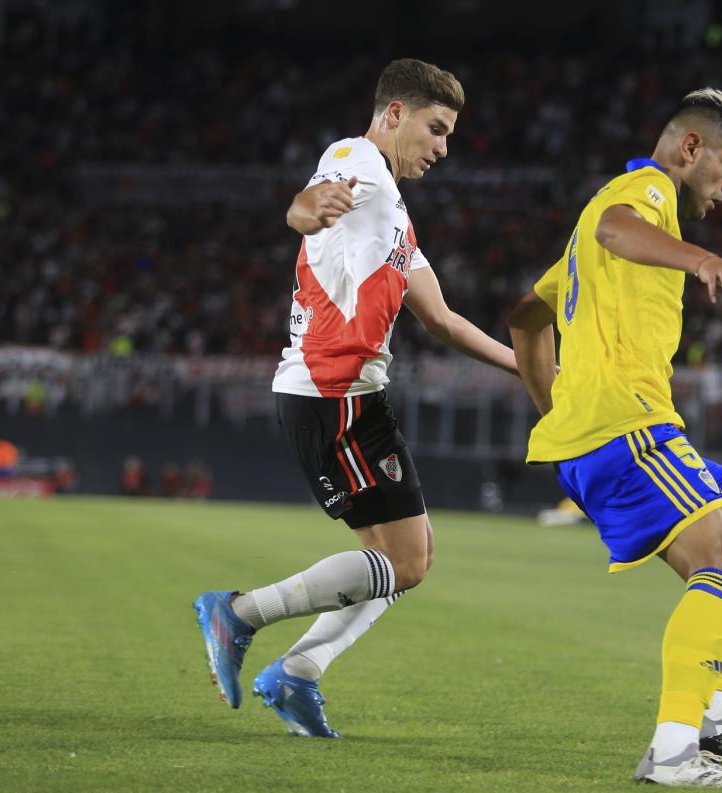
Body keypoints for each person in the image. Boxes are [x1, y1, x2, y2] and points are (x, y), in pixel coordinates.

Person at [193, 59, 518, 738]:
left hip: (358, 397)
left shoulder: (395, 213)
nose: (443, 147)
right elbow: (302, 206)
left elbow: (442, 319)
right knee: (404, 560)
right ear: (394, 113)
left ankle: (298, 674)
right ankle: (240, 614)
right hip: (329, 393)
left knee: (406, 560)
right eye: (437, 128)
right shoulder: (356, 159)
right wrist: (313, 207)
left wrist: (531, 371)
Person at [508, 88, 722, 790]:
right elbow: (615, 227)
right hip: (627, 426)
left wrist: (554, 411)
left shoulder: (587, 242)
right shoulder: (644, 190)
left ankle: (719, 706)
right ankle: (672, 751)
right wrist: (697, 260)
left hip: (607, 426)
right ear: (689, 148)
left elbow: (525, 319)